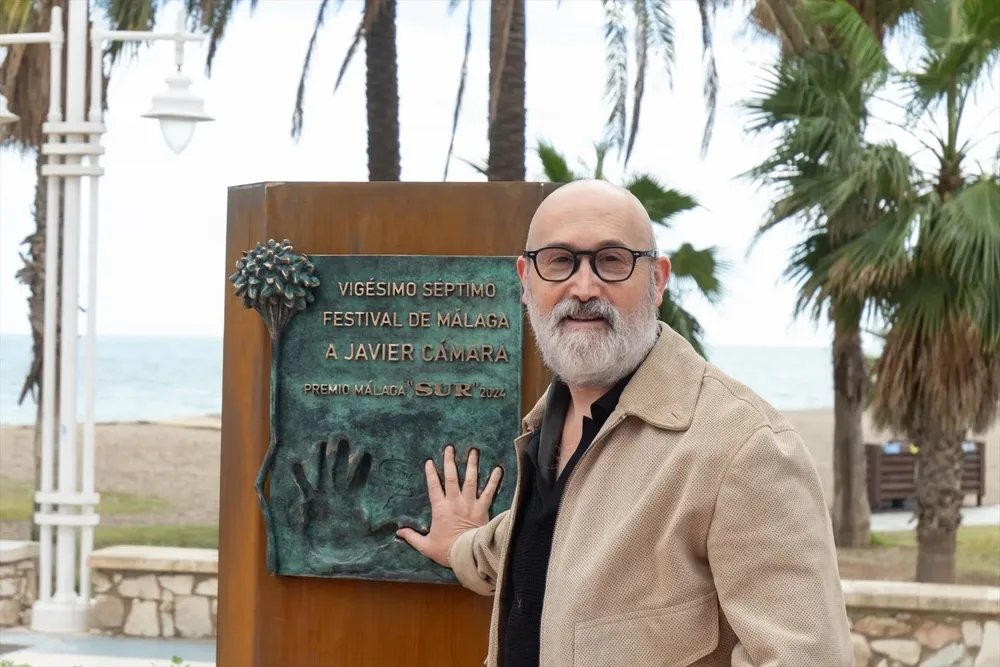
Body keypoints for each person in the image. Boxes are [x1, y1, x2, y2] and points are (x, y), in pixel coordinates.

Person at [396, 179, 853, 667]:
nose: (585, 287)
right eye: (559, 261)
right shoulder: (550, 424)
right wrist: (460, 544)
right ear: (526, 282)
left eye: (612, 260)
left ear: (657, 279)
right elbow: (542, 541)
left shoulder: (743, 448)